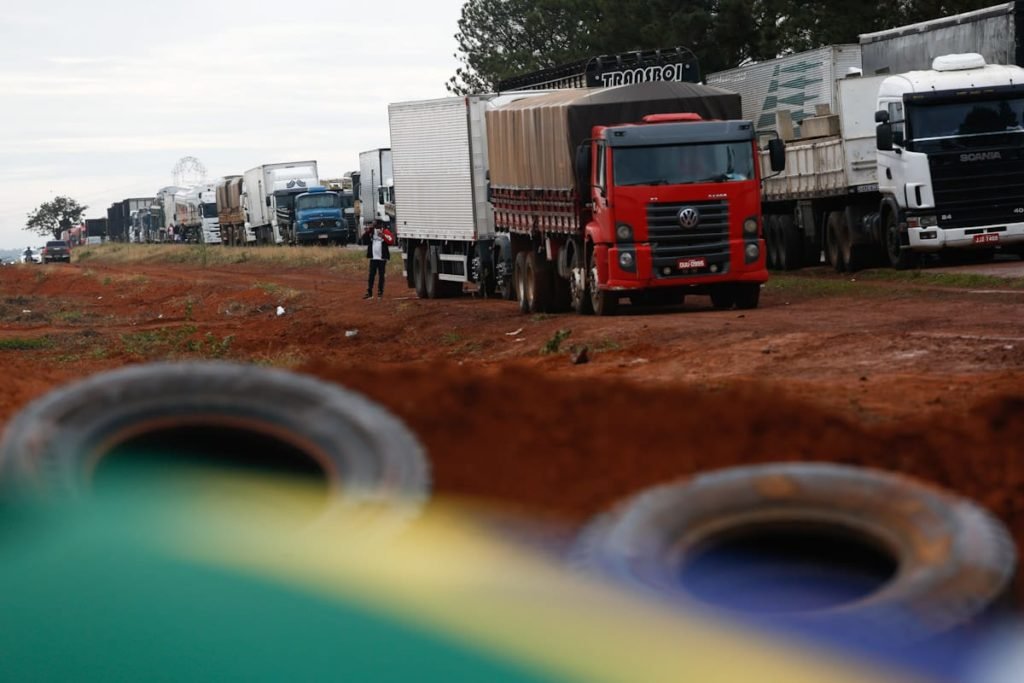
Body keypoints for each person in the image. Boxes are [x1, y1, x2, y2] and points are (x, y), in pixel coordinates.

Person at [361, 222, 394, 300]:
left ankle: (380, 292)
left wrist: (383, 235)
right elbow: (364, 239)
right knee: (371, 275)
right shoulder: (371, 232)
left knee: (381, 275)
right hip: (373, 257)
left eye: (378, 225)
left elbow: (391, 241)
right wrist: (368, 231)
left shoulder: (385, 231)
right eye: (375, 225)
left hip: (382, 258)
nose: (377, 227)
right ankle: (369, 292)